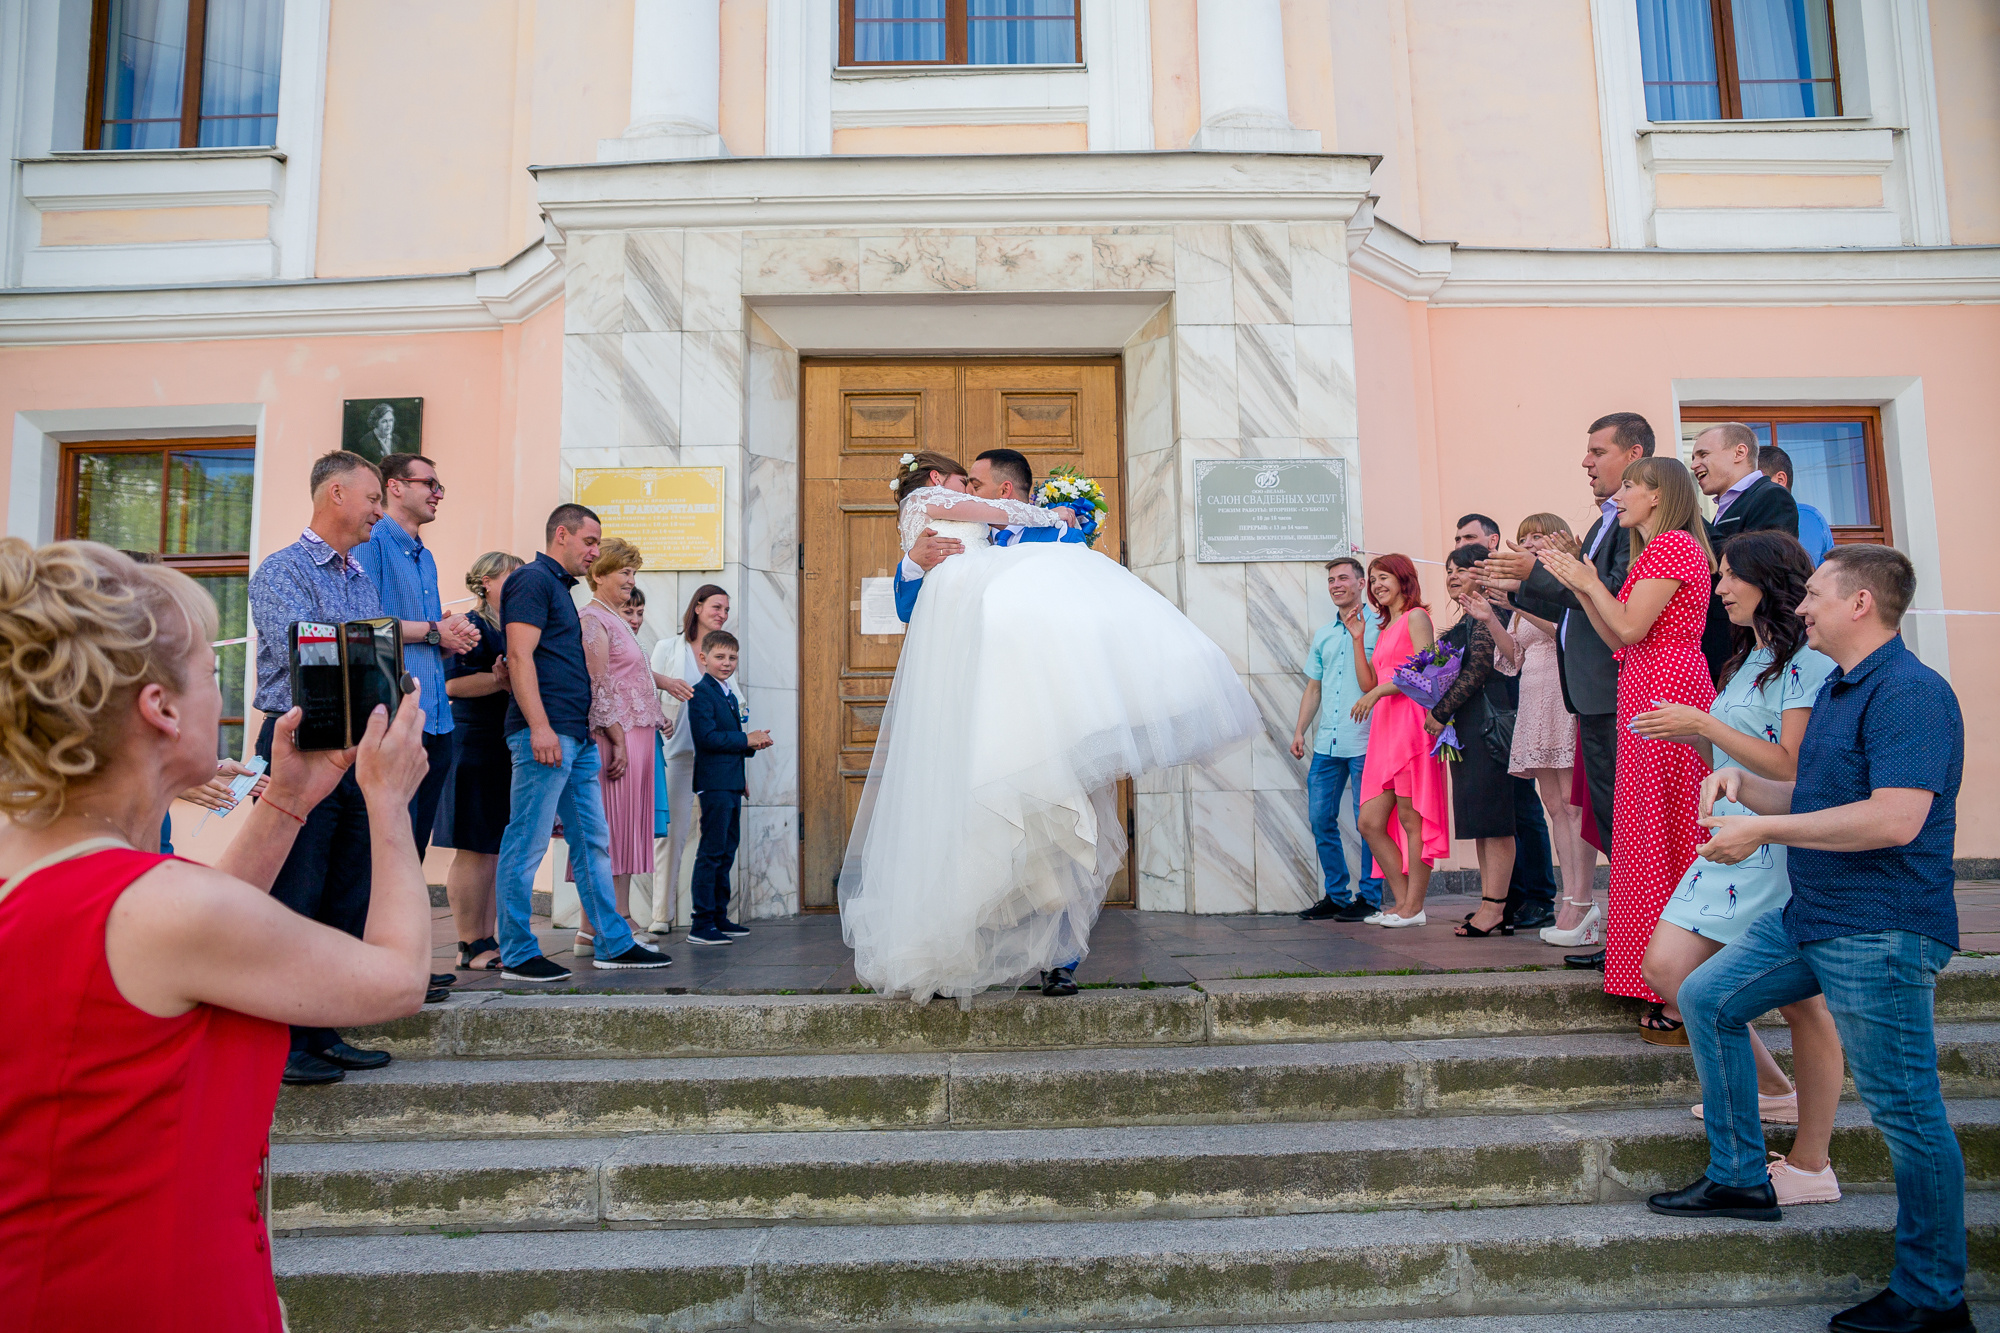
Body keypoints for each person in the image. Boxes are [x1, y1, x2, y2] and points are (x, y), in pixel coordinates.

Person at [0, 539, 433, 1331]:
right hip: (152, 1298)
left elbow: (182, 935)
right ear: (160, 708)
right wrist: (388, 800)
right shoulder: (160, 906)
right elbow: (398, 975)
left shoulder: (58, 878)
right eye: (210, 674)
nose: (223, 692)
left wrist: (287, 797)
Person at [1654, 546, 1968, 1333]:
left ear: (1861, 602)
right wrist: (1742, 785)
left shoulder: (1912, 692)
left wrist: (1762, 824)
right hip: (1815, 917)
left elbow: (1897, 818)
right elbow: (1812, 791)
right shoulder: (1836, 687)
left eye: (1818, 595)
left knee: (1907, 1112)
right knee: (1707, 994)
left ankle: (1934, 1297)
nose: (1802, 607)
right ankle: (1739, 1177)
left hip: (1883, 928)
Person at [840, 452, 1255, 1004]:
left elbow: (1093, 619)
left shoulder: (1058, 546)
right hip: (981, 716)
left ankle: (1060, 960)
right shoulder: (956, 541)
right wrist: (914, 561)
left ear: (1007, 492)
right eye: (969, 484)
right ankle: (961, 955)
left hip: (1056, 717)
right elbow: (911, 608)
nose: (976, 490)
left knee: (1064, 832)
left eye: (981, 483)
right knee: (982, 830)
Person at [1623, 531, 1846, 1206]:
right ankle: (1774, 1090)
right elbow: (1739, 753)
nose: (1717, 588)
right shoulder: (1748, 657)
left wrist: (1708, 727)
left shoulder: (1807, 662)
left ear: (1766, 581)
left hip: (1777, 844)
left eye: (1728, 577)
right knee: (1666, 967)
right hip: (1730, 842)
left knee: (1803, 1002)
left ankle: (1811, 1162)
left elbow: (1795, 769)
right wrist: (1685, 729)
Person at [246, 449, 405, 1085]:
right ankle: (282, 1042)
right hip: (299, 745)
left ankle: (323, 1027)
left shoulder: (360, 576)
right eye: (371, 498)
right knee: (297, 891)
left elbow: (366, 653)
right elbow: (311, 656)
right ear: (336, 495)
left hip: (354, 749)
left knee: (346, 891)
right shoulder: (280, 570)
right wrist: (369, 660)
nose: (378, 510)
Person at [1539, 457, 1717, 1027]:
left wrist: (1589, 580)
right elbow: (1615, 628)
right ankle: (1648, 972)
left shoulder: (1673, 547)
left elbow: (1634, 627)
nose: (1620, 494)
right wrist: (1582, 583)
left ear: (1659, 494)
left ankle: (1678, 984)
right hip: (1644, 687)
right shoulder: (1655, 549)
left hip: (1667, 689)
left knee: (1667, 833)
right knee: (1645, 832)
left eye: (1632, 486)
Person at [1481, 412, 1653, 970]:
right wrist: (1522, 588)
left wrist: (1537, 572)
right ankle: (1622, 938)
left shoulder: (1632, 527)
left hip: (1610, 684)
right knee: (1604, 817)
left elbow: (1607, 596)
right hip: (1589, 691)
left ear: (1633, 455)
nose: (1586, 462)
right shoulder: (1608, 519)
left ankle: (1629, 941)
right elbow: (1577, 600)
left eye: (1597, 451)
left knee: (1618, 821)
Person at [491, 504, 671, 981]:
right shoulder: (532, 580)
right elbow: (519, 655)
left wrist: (596, 729)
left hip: (577, 735)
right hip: (546, 735)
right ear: (562, 535)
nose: (595, 552)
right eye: (589, 542)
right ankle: (516, 952)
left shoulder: (559, 590)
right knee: (526, 843)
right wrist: (541, 727)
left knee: (593, 842)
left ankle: (612, 941)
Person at [353, 452, 479, 998]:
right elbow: (366, 624)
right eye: (429, 483)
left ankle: (406, 960)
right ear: (394, 487)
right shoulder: (374, 543)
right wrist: (436, 631)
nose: (438, 493)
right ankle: (377, 962)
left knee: (413, 849)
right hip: (394, 719)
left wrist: (456, 640)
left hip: (436, 717)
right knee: (385, 845)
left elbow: (425, 637)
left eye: (440, 484)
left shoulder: (424, 556)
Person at [1496, 515, 1599, 949]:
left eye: (1537, 536)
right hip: (1534, 697)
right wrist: (1490, 616)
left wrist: (1523, 604)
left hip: (1564, 692)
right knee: (1554, 805)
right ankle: (1568, 898)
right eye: (1523, 539)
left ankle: (1582, 900)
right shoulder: (1529, 594)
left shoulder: (1563, 585)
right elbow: (1512, 658)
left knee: (1575, 805)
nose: (1528, 544)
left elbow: (1566, 634)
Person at [569, 538, 676, 955]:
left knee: (627, 832)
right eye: (623, 573)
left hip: (638, 733)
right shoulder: (593, 619)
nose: (631, 581)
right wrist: (615, 739)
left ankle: (613, 918)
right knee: (606, 832)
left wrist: (657, 715)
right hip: (616, 737)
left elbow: (632, 681)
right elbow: (599, 685)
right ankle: (592, 927)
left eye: (634, 573)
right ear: (598, 575)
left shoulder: (615, 618)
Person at [1453, 513, 1557, 931]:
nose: (1464, 547)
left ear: (1491, 544)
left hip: (1515, 707)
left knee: (1529, 809)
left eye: (1470, 541)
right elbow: (1510, 652)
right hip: (1519, 699)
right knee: (1515, 810)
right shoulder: (1495, 597)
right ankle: (1510, 898)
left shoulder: (1524, 587)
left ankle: (1541, 897)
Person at [434, 551, 522, 971]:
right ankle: (469, 943)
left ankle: (487, 938)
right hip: (473, 744)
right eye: (513, 577)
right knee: (473, 847)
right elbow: (452, 683)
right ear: (486, 581)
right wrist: (501, 679)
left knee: (493, 847)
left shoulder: (510, 625)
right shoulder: (472, 625)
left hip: (501, 745)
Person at [1350, 554, 1447, 928]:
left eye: (1383, 577)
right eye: (1372, 580)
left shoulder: (1416, 617)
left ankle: (1412, 906)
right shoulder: (1386, 628)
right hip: (1385, 728)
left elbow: (1427, 672)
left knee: (1411, 818)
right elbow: (1367, 684)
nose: (1376, 585)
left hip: (1409, 723)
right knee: (1370, 822)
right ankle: (1405, 901)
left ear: (1403, 578)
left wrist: (1377, 695)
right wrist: (1359, 640)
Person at [1429, 546, 1520, 938]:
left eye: (1462, 569)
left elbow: (1481, 668)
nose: (1452, 575)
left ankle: (1496, 907)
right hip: (1469, 729)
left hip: (1488, 728)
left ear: (1483, 573)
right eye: (1448, 569)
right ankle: (1490, 902)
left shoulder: (1491, 611)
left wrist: (1440, 710)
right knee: (1481, 821)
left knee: (1495, 820)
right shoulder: (1466, 619)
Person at [893, 447, 1090, 622]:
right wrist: (913, 564)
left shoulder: (1061, 535)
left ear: (1004, 490)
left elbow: (1079, 605)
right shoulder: (939, 536)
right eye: (965, 484)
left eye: (975, 486)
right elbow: (906, 613)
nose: (966, 495)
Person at [1292, 557, 1383, 922]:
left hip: (1367, 741)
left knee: (1369, 823)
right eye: (1331, 580)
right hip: (1327, 744)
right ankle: (1337, 894)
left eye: (1343, 578)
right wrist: (1300, 730)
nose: (1335, 585)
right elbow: (1313, 688)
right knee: (1320, 818)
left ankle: (1371, 897)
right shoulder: (1324, 634)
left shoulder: (1381, 627)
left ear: (1362, 583)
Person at [1689, 422, 1799, 684]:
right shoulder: (1729, 505)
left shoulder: (1771, 496)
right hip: (1727, 650)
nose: (1694, 464)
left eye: (1703, 455)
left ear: (1739, 453)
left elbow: (1753, 564)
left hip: (1747, 648)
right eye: (1693, 457)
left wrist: (1694, 522)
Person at [649, 584, 729, 935]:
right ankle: (660, 915)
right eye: (716, 606)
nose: (722, 614)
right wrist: (660, 718)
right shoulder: (669, 647)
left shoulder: (721, 652)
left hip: (713, 757)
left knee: (717, 837)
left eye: (726, 610)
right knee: (671, 834)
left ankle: (712, 915)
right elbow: (645, 689)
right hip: (677, 753)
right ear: (697, 607)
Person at [686, 630, 771, 945]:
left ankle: (719, 916)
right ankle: (701, 923)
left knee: (726, 850)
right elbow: (706, 739)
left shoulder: (728, 694)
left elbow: (730, 741)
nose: (727, 663)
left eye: (732, 657)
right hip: (713, 784)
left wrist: (752, 745)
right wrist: (746, 739)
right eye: (720, 657)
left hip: (731, 783)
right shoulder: (701, 693)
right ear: (704, 658)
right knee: (711, 852)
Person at [1758, 445, 1835, 564]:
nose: (1747, 490)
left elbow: (1799, 573)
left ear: (1780, 480)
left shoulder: (1803, 516)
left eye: (1756, 483)